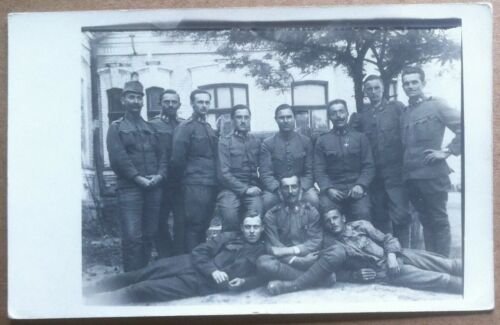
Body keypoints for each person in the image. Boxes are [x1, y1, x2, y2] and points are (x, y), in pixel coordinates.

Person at [266, 208, 462, 295]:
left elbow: (387, 238)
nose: (332, 223)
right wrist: (354, 275)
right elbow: (330, 270)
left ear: (343, 218)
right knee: (441, 279)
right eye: (328, 220)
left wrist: (392, 255)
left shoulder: (361, 225)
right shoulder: (329, 245)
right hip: (386, 271)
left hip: (399, 255)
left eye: (335, 218)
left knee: (450, 264)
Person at [84, 213, 266, 305]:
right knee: (136, 275)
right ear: (242, 227)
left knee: (142, 289)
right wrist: (213, 270)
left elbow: (262, 276)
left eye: (255, 227)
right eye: (248, 226)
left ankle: (93, 305)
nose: (251, 231)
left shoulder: (263, 251)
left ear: (262, 228)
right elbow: (199, 252)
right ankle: (87, 291)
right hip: (184, 263)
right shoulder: (228, 237)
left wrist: (244, 281)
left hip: (197, 283)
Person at [400, 66, 462, 256]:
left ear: (423, 83)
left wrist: (447, 151)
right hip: (411, 177)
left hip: (433, 175)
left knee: (438, 220)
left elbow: (466, 126)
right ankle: (433, 263)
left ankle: (443, 265)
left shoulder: (437, 105)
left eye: (414, 82)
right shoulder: (405, 112)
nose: (410, 87)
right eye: (406, 83)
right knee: (425, 221)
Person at [106, 80, 167, 272]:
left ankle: (143, 278)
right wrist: (138, 178)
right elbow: (118, 159)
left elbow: (163, 156)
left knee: (150, 234)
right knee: (132, 237)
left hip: (153, 187)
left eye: (139, 98)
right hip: (130, 189)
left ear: (143, 102)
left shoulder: (151, 128)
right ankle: (130, 280)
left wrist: (160, 176)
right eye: (131, 97)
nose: (135, 101)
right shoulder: (116, 128)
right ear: (123, 100)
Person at [355, 75, 411, 247]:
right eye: (369, 89)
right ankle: (388, 256)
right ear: (365, 91)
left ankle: (405, 256)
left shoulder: (397, 108)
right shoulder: (361, 116)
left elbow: (408, 136)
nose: (373, 92)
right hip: (375, 178)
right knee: (380, 218)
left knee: (401, 216)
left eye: (377, 88)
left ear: (383, 89)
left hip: (396, 174)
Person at [256, 175, 323, 294]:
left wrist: (293, 251)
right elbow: (273, 247)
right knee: (263, 262)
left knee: (330, 253)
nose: (290, 192)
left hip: (308, 259)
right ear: (280, 192)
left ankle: (291, 283)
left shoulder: (311, 212)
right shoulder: (271, 215)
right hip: (288, 263)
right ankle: (319, 279)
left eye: (294, 187)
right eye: (286, 188)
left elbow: (315, 242)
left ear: (300, 190)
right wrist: (298, 260)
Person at [171, 89, 218, 253]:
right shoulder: (185, 127)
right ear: (192, 104)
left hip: (210, 183)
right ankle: (191, 263)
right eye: (200, 102)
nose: (204, 106)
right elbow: (177, 160)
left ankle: (199, 260)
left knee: (204, 224)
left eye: (207, 102)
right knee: (194, 225)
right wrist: (185, 181)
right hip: (194, 183)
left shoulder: (208, 127)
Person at [314, 99, 375, 221]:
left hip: (356, 190)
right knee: (328, 214)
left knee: (363, 214)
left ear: (347, 113)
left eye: (341, 112)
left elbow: (369, 166)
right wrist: (328, 189)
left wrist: (360, 185)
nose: (338, 116)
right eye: (334, 113)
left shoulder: (360, 138)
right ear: (329, 117)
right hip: (333, 191)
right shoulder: (322, 141)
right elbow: (319, 170)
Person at [260, 104, 318, 211]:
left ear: (294, 118)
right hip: (277, 187)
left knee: (313, 199)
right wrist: (278, 189)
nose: (285, 120)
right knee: (267, 201)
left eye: (289, 117)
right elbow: (266, 173)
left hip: (301, 186)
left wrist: (302, 188)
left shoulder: (305, 142)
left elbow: (310, 171)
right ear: (276, 120)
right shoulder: (268, 144)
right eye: (281, 118)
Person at [216, 104, 263, 232]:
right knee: (229, 214)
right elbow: (223, 174)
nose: (243, 121)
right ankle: (230, 246)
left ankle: (252, 249)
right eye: (239, 117)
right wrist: (245, 190)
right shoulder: (224, 142)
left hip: (252, 187)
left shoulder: (256, 141)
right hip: (229, 189)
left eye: (246, 117)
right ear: (232, 120)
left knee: (256, 214)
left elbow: (262, 168)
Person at [149, 89, 184, 257]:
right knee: (159, 221)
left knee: (181, 220)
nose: (170, 105)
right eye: (166, 102)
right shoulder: (152, 125)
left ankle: (179, 255)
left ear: (179, 104)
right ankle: (165, 255)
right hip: (161, 181)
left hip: (181, 181)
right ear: (160, 104)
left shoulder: (184, 124)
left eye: (174, 102)